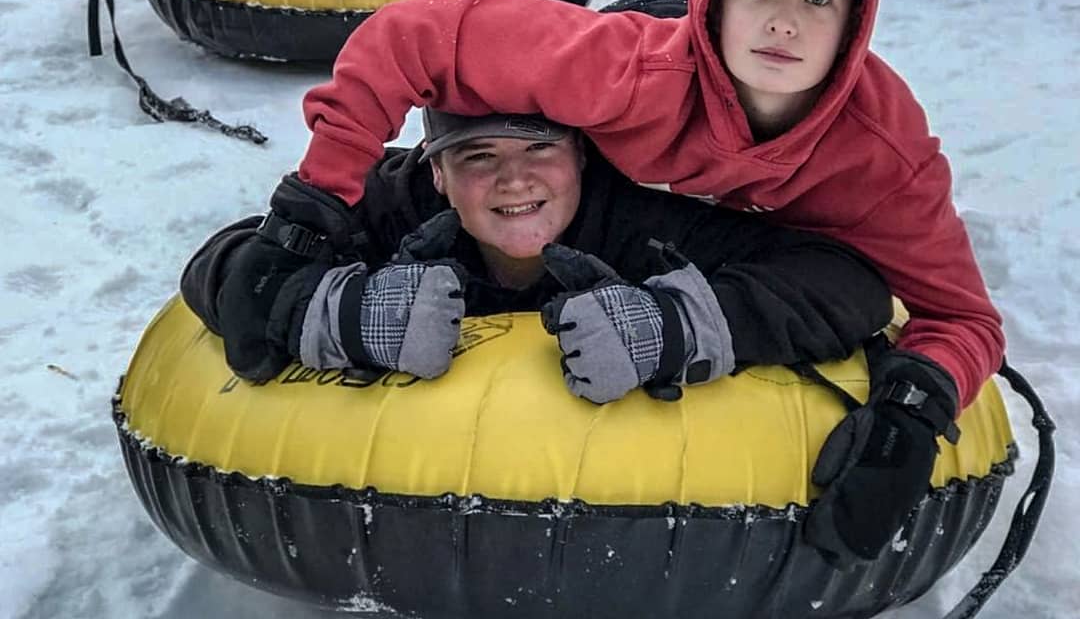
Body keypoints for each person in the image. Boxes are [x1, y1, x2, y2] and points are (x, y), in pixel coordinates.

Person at [236, 0, 1005, 570]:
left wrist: (913, 412)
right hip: (647, 61)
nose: (785, 21)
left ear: (855, 22)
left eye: (818, 0)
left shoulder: (883, 153)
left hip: (693, 180)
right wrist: (313, 207)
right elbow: (419, 36)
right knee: (515, 21)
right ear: (727, 3)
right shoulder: (621, 68)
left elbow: (961, 316)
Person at [185, 109, 893, 407]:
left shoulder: (646, 213)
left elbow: (848, 280)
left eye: (539, 151)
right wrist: (341, 311)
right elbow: (228, 261)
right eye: (479, 157)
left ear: (580, 154)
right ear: (436, 172)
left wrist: (672, 326)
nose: (514, 182)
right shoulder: (397, 200)